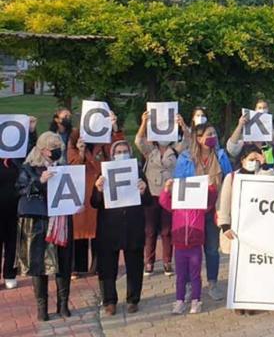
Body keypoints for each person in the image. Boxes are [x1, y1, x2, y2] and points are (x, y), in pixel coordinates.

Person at [90, 141, 154, 315]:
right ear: (112, 154)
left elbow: (148, 201)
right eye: (118, 151)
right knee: (107, 266)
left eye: (125, 151)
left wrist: (143, 191)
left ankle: (133, 299)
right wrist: (98, 190)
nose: (122, 153)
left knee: (134, 264)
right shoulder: (103, 172)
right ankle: (109, 301)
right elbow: (94, 203)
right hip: (109, 227)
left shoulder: (138, 171)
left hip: (132, 226)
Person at [172, 123, 233, 302]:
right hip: (193, 213)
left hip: (214, 210)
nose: (212, 136)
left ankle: (212, 283)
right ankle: (190, 284)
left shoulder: (221, 156)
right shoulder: (185, 158)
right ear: (198, 138)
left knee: (212, 249)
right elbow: (179, 182)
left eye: (214, 133)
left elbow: (229, 179)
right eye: (208, 134)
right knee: (192, 250)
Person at [15, 132, 72, 321]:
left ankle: (63, 304)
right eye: (52, 149)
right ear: (42, 150)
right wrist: (39, 181)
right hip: (38, 221)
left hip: (60, 219)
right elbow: (20, 189)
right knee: (40, 264)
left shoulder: (63, 167)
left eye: (58, 149)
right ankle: (42, 307)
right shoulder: (29, 168)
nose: (56, 152)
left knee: (63, 262)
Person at [218, 144, 274, 315]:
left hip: (257, 230)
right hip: (236, 230)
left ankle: (252, 300)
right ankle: (238, 301)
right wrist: (225, 225)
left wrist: (265, 165)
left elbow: (270, 184)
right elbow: (224, 202)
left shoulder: (261, 174)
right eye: (251, 159)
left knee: (253, 267)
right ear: (242, 160)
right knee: (237, 268)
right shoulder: (232, 177)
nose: (253, 163)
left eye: (256, 159)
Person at [67, 111, 123, 277]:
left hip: (99, 188)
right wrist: (82, 152)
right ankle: (78, 266)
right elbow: (72, 163)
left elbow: (118, 150)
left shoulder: (104, 139)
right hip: (81, 191)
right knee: (80, 230)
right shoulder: (74, 139)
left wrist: (114, 128)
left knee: (99, 229)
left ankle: (98, 265)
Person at [135, 110, 189, 276]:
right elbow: (138, 140)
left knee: (167, 230)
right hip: (151, 195)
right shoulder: (150, 150)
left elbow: (188, 140)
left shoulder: (176, 150)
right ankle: (149, 262)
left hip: (168, 195)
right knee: (149, 230)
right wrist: (144, 122)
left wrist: (182, 125)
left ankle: (167, 261)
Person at [160, 176, 219, 315]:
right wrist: (166, 189)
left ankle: (196, 301)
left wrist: (211, 187)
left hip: (195, 246)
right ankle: (179, 301)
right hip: (179, 246)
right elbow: (163, 202)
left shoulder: (199, 207)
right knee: (180, 276)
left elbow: (211, 200)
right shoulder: (176, 206)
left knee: (195, 276)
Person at [0, 116, 35, 290]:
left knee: (13, 242)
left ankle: (9, 274)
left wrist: (31, 131)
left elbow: (32, 152)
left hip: (15, 207)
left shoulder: (17, 159)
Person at [226, 100, 274, 170]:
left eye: (264, 107)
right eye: (259, 107)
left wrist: (273, 134)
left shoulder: (269, 145)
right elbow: (231, 149)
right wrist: (240, 125)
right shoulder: (245, 141)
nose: (262, 109)